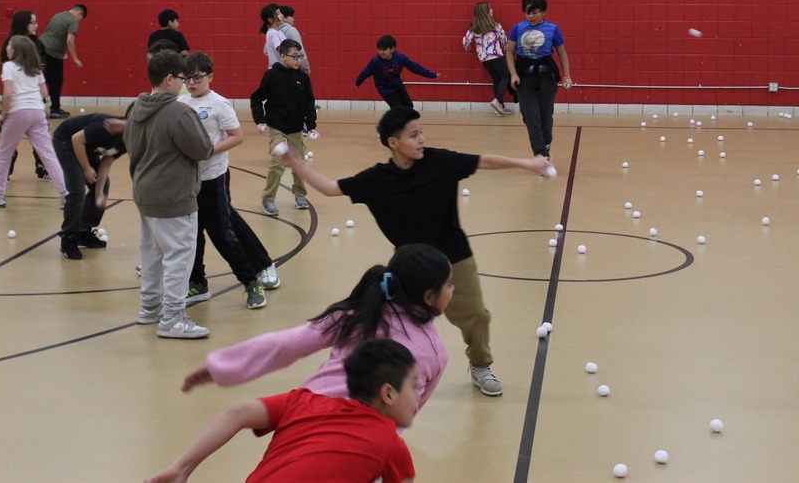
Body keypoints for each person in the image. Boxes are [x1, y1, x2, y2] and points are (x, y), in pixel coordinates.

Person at [278, 107, 553, 397]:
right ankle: (387, 375)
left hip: (453, 257)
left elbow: (482, 160)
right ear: (393, 142)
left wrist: (527, 163)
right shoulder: (377, 180)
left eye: (421, 132)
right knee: (394, 323)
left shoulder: (439, 162)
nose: (421, 139)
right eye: (413, 135)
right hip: (409, 267)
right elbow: (330, 188)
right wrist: (294, 163)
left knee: (477, 316)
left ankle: (480, 365)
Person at [182, 243, 450, 414]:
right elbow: (409, 411)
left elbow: (286, 344)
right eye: (449, 284)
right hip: (359, 446)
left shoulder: (357, 314)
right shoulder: (435, 352)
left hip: (304, 413)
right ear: (429, 297)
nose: (453, 290)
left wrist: (222, 366)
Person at [145, 338, 418, 483]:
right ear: (388, 394)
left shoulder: (303, 401)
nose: (418, 395)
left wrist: (181, 468)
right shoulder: (392, 446)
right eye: (414, 386)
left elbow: (238, 413)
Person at [178, 52, 278, 309]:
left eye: (197, 78)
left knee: (222, 234)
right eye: (187, 78)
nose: (192, 83)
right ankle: (197, 282)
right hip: (188, 181)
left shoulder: (219, 104)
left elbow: (237, 136)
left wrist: (210, 150)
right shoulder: (181, 102)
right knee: (192, 234)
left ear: (210, 77)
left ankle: (250, 281)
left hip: (213, 178)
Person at [125, 50, 214, 339]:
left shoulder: (135, 108)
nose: (185, 84)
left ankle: (150, 307)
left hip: (144, 193)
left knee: (151, 253)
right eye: (182, 78)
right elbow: (203, 149)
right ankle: (172, 318)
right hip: (174, 197)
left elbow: (130, 144)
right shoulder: (179, 113)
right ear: (169, 79)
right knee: (179, 256)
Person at [0, 36, 67, 209]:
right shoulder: (35, 68)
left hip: (18, 112)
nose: (7, 48)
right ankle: (66, 195)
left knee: (4, 155)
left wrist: (3, 114)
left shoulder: (8, 66)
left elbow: (8, 93)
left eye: (9, 45)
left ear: (15, 50)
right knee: (48, 155)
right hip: (38, 112)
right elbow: (44, 93)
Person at [250, 39, 317, 217]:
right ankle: (268, 199)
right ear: (282, 56)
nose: (298, 60)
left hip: (295, 128)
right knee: (277, 163)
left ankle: (300, 194)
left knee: (299, 163)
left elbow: (309, 103)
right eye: (294, 56)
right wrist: (260, 120)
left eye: (300, 56)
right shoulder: (271, 75)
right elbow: (256, 98)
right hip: (276, 127)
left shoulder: (303, 78)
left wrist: (311, 125)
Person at [505, 0, 573, 160]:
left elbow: (562, 53)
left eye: (534, 12)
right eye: (527, 12)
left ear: (543, 12)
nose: (531, 16)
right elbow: (510, 52)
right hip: (524, 79)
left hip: (546, 78)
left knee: (545, 118)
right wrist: (513, 74)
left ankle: (545, 146)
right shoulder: (517, 28)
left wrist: (566, 75)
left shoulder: (553, 29)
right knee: (530, 117)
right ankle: (540, 155)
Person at [52, 112, 126, 260]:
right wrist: (86, 168)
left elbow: (106, 163)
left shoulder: (127, 142)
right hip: (66, 140)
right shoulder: (108, 127)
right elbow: (76, 139)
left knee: (103, 185)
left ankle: (83, 230)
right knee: (77, 190)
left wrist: (99, 193)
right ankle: (68, 238)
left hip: (85, 147)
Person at [0, 9, 50, 182]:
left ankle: (42, 168)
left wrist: (45, 102)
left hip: (34, 100)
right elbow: (9, 80)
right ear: (23, 24)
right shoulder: (10, 45)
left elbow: (41, 76)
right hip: (15, 99)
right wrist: (5, 110)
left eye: (36, 22)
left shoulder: (38, 45)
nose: (36, 26)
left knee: (41, 136)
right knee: (8, 137)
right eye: (32, 22)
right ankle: (6, 170)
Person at [355, 35, 440, 110]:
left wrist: (433, 75)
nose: (381, 52)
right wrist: (358, 83)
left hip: (397, 85)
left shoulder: (400, 58)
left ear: (393, 49)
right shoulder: (376, 62)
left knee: (409, 106)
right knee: (398, 108)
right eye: (379, 50)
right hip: (385, 88)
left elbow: (415, 68)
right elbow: (365, 73)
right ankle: (396, 122)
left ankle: (401, 121)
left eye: (384, 50)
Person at [463, 1, 515, 116]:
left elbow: (466, 41)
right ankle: (498, 100)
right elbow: (503, 38)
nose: (492, 10)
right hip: (495, 55)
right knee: (506, 76)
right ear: (485, 12)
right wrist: (505, 49)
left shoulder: (474, 27)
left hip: (484, 58)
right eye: (490, 8)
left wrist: (468, 47)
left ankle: (500, 106)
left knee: (497, 79)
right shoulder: (495, 25)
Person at [40, 4, 87, 119]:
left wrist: (61, 52)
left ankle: (37, 108)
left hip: (40, 48)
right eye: (81, 18)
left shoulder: (58, 15)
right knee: (56, 81)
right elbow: (70, 40)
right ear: (79, 14)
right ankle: (55, 109)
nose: (79, 21)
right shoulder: (73, 20)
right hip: (52, 53)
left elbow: (52, 34)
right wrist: (75, 58)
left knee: (41, 78)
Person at [277, 6, 310, 74]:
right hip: (289, 70)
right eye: (291, 16)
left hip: (275, 68)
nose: (294, 18)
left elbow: (266, 51)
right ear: (284, 18)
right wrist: (306, 68)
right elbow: (300, 51)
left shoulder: (274, 31)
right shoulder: (292, 31)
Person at [259, 3, 285, 69]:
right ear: (270, 19)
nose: (282, 15)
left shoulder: (278, 32)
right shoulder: (273, 33)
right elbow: (281, 49)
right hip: (277, 69)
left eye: (280, 13)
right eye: (278, 14)